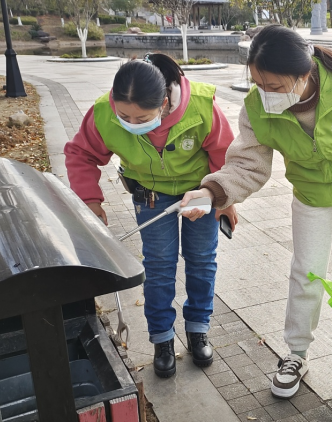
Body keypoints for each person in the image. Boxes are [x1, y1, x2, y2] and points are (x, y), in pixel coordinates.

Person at [180, 25, 332, 399]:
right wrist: (211, 192)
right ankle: (296, 354)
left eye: (274, 86)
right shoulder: (257, 108)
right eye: (258, 83)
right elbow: (248, 165)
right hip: (310, 193)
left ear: (305, 75)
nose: (265, 93)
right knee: (306, 273)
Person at [65, 53, 237, 378]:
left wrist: (223, 198)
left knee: (201, 260)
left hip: (198, 193)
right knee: (158, 266)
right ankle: (162, 339)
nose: (133, 124)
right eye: (124, 115)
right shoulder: (103, 112)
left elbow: (222, 151)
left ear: (164, 103)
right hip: (150, 195)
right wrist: (90, 200)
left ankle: (198, 329)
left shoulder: (200, 105)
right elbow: (80, 153)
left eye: (143, 118)